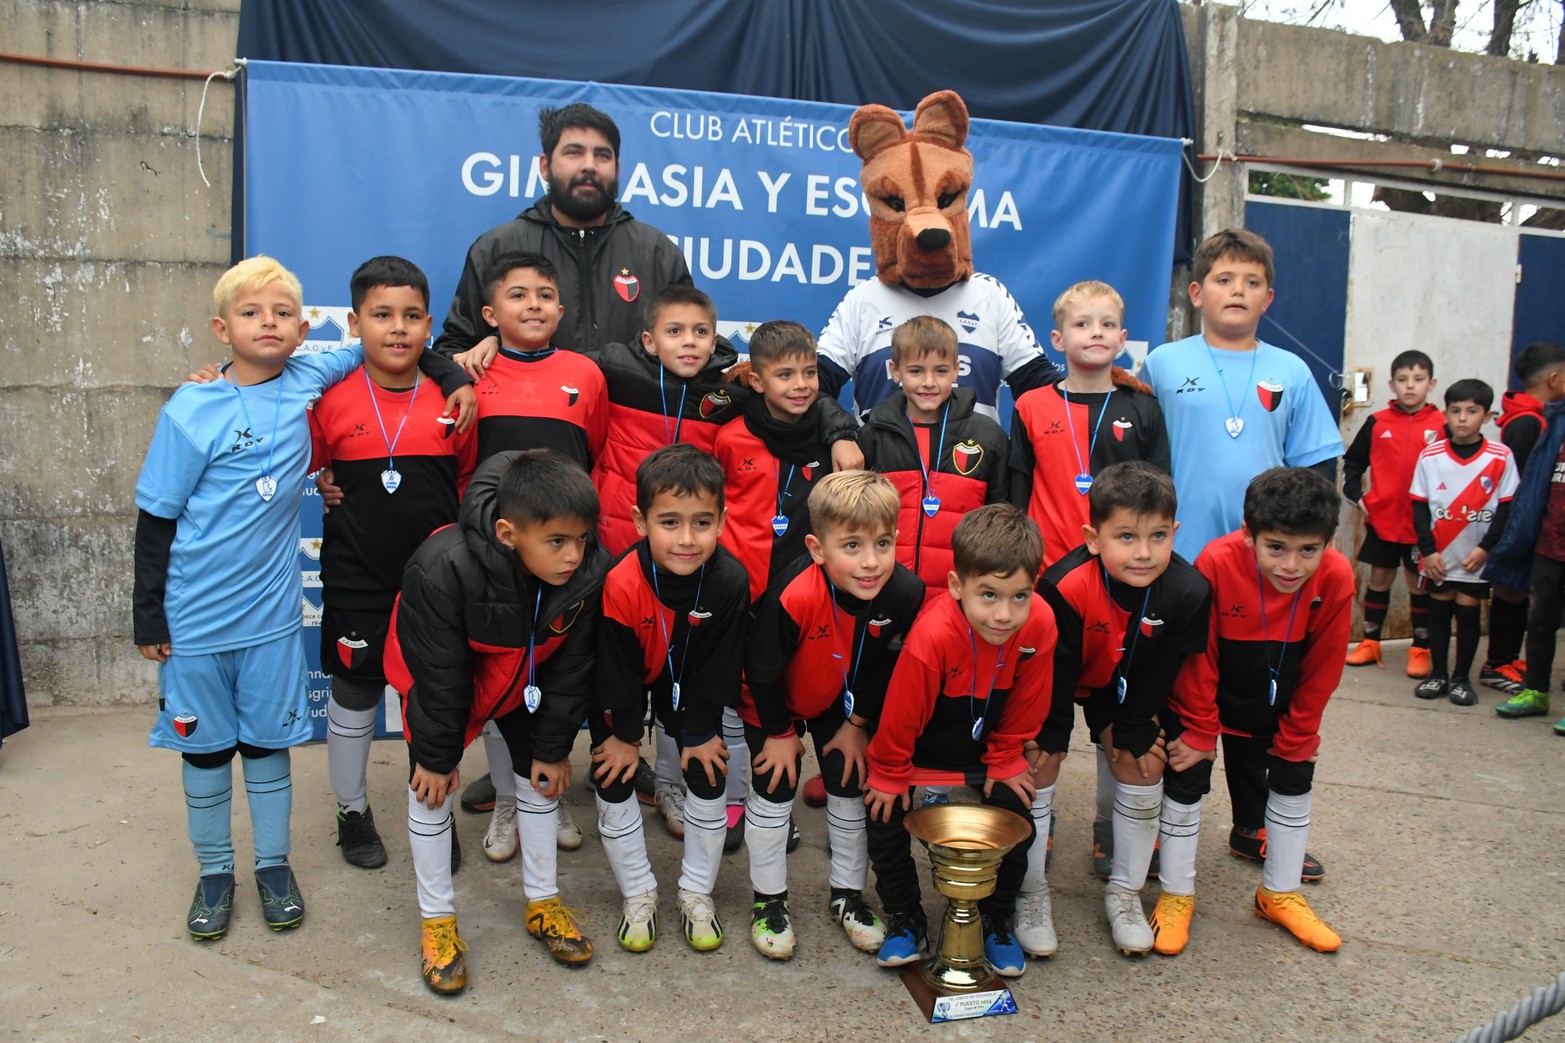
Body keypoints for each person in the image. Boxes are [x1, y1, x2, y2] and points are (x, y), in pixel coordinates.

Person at [132, 256, 471, 942]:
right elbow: (157, 517)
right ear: (222, 328)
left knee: (269, 745)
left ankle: (277, 866)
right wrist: (149, 610)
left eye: (283, 313)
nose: (269, 324)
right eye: (253, 314)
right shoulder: (197, 404)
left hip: (272, 618)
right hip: (198, 620)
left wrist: (453, 371)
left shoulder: (312, 376)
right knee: (209, 753)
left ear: (301, 327)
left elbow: (397, 343)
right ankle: (219, 871)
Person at [593, 288, 860, 838]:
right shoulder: (731, 429)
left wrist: (842, 429)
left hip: (800, 597)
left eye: (809, 373)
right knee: (728, 698)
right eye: (786, 375)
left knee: (783, 698)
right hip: (734, 590)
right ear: (757, 380)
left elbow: (823, 404)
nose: (801, 385)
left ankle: (770, 807)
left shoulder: (825, 434)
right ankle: (731, 799)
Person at [383, 450, 609, 992]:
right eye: (557, 541)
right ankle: (436, 920)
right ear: (508, 533)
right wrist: (439, 757)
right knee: (429, 788)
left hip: (524, 675)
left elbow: (574, 669)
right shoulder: (442, 564)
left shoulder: (589, 566)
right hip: (442, 676)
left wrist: (553, 748)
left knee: (542, 778)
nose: (575, 555)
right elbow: (440, 675)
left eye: (582, 538)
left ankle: (543, 903)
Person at [308, 256, 477, 871]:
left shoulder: (452, 397)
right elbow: (308, 461)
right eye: (382, 315)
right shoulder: (326, 398)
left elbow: (466, 480)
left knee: (433, 695)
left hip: (435, 584)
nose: (398, 328)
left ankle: (433, 812)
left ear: (429, 324)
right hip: (357, 579)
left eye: (411, 316)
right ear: (355, 323)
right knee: (354, 692)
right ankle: (352, 811)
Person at [1164, 467, 1352, 953]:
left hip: (1277, 691)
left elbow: (1325, 665)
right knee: (1186, 771)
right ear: (1248, 535)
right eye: (1276, 548)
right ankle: (1175, 894)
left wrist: (1300, 734)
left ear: (1329, 542)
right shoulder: (1216, 562)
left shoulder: (1335, 576)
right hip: (1213, 686)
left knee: (1293, 772)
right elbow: (1198, 655)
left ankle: (1279, 893)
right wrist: (1202, 729)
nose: (1292, 565)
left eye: (1308, 550)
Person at [740, 471, 924, 960]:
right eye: (852, 546)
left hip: (839, 700)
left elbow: (887, 666)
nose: (870, 562)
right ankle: (768, 901)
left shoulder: (905, 592)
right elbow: (760, 670)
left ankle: (847, 895)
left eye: (883, 544)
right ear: (818, 549)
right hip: (774, 699)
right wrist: (779, 733)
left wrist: (857, 725)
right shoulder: (794, 594)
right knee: (776, 781)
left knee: (848, 775)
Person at [865, 503, 1054, 978]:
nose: (1004, 614)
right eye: (988, 595)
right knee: (882, 813)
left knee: (1018, 811)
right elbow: (901, 717)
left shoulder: (1041, 624)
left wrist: (1008, 756)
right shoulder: (933, 634)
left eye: (1019, 596)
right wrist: (890, 773)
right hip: (922, 753)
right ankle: (906, 915)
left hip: (989, 753)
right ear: (956, 586)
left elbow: (1031, 700)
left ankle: (994, 917)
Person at [1028, 462, 1209, 958]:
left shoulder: (1189, 590)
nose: (1144, 552)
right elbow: (1053, 672)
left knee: (1144, 758)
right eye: (1126, 536)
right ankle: (1030, 894)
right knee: (1039, 761)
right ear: (1093, 536)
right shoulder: (1062, 586)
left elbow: (1160, 671)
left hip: (1127, 687)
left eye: (1157, 536)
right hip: (1063, 679)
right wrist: (1053, 737)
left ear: (1175, 532)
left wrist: (1126, 728)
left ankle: (1124, 891)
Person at [590, 445, 749, 952]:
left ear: (722, 521)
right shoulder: (619, 580)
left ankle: (696, 893)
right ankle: (638, 894)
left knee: (709, 770)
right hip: (624, 688)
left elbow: (720, 668)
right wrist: (623, 736)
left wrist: (697, 731)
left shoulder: (729, 579)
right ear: (640, 521)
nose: (686, 539)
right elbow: (614, 672)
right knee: (612, 774)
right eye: (670, 522)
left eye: (702, 522)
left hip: (690, 683)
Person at [1140, 229, 1343, 562]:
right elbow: (1140, 455)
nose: (1238, 291)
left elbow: (1314, 469)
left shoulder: (1292, 370)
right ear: (1196, 293)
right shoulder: (1162, 363)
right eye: (1223, 280)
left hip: (1270, 550)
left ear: (1267, 299)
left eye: (1252, 283)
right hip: (1180, 546)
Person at [433, 103, 691, 360]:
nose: (589, 166)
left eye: (602, 155)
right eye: (574, 153)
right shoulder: (497, 247)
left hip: (627, 403)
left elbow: (697, 342)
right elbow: (452, 350)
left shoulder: (658, 253)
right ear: (545, 166)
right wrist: (493, 344)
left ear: (617, 169)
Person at [1010, 280, 1170, 571]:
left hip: (1121, 566)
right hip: (1046, 567)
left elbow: (1158, 495)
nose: (1096, 331)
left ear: (1122, 340)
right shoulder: (1029, 406)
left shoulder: (1144, 407)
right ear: (1058, 340)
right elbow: (1017, 497)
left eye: (1107, 325)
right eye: (1082, 324)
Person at [859, 315, 1011, 601]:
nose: (929, 382)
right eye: (916, 371)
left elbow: (1001, 522)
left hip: (958, 597)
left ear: (956, 370)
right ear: (895, 370)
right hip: (886, 597)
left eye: (940, 371)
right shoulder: (873, 436)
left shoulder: (988, 437)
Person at [1410, 380, 1518, 706]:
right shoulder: (1430, 456)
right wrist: (1428, 551)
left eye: (1472, 411)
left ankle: (1461, 679)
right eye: (1455, 411)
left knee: (1468, 613)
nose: (1462, 418)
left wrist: (1486, 549)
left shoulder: (1501, 456)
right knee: (1439, 610)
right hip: (1439, 556)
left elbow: (1507, 508)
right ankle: (1439, 674)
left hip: (1475, 556)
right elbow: (1418, 506)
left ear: (1486, 416)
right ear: (1445, 413)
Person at [1340, 350, 1446, 679]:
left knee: (1419, 584)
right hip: (1383, 522)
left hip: (1423, 527)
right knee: (1380, 579)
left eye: (1418, 379)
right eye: (1402, 380)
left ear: (1431, 383)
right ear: (1391, 384)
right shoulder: (1377, 423)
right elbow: (1353, 464)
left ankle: (1420, 647)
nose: (1410, 386)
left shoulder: (1442, 425)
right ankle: (1370, 642)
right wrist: (1359, 497)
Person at [1487, 351, 1565, 728]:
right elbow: (1532, 484)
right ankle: (1535, 690)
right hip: (1550, 541)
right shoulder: (1552, 422)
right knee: (1541, 619)